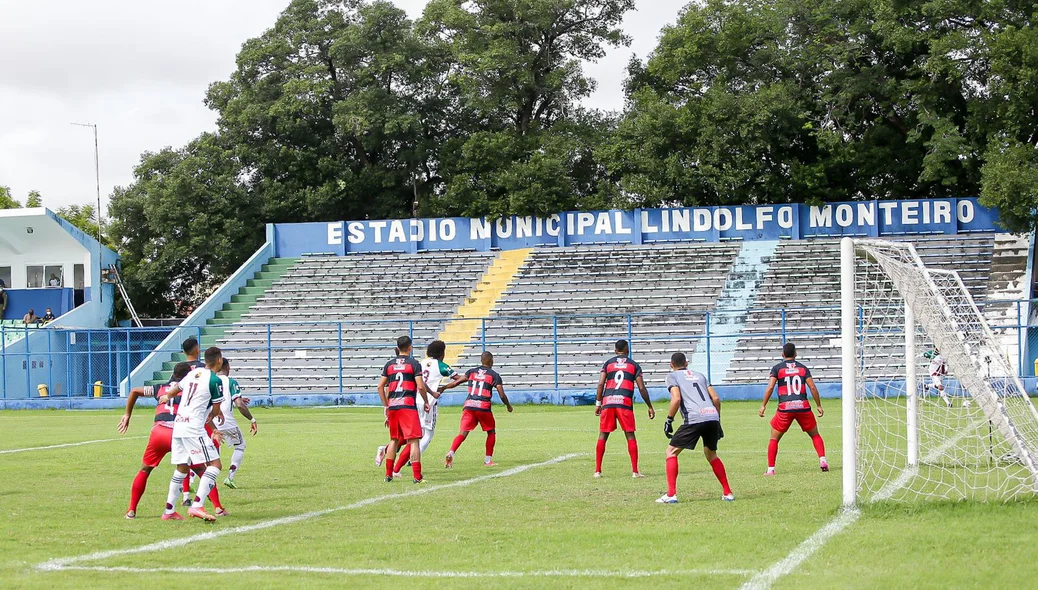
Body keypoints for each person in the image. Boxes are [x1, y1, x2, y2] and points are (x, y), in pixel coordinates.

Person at [118, 362, 193, 519]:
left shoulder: (159, 388)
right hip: (178, 433)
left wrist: (127, 414)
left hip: (158, 432)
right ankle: (216, 507)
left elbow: (134, 391)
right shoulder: (189, 389)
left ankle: (131, 510)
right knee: (199, 468)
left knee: (145, 469)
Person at [160, 347, 226, 521]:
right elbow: (216, 410)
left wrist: (166, 397)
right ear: (219, 360)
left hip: (179, 425)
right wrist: (214, 414)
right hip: (194, 427)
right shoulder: (215, 380)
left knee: (182, 468)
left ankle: (169, 511)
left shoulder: (193, 373)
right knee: (215, 464)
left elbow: (174, 391)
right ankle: (197, 505)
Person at [658, 353, 733, 503]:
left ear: (671, 365)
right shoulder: (700, 375)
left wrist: (669, 420)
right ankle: (728, 492)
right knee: (711, 454)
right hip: (712, 415)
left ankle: (671, 494)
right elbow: (716, 399)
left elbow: (677, 398)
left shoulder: (672, 377)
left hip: (694, 417)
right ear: (686, 363)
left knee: (671, 452)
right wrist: (717, 419)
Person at [759, 343, 827, 475]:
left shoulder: (777, 369)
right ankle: (822, 460)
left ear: (782, 354)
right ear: (796, 354)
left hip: (785, 408)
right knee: (815, 434)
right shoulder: (803, 368)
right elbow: (812, 387)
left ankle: (770, 469)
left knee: (774, 438)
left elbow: (770, 387)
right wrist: (818, 405)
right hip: (803, 407)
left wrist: (763, 405)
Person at [594, 339, 655, 478]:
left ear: (615, 350)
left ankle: (597, 471)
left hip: (608, 402)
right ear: (628, 350)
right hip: (624, 403)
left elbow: (600, 384)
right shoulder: (633, 365)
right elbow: (641, 387)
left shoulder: (608, 363)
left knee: (603, 434)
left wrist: (598, 404)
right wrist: (650, 406)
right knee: (630, 435)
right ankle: (635, 471)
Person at [378, 336, 431, 483]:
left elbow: (380, 386)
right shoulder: (414, 364)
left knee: (394, 440)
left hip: (393, 406)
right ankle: (417, 476)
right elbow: (420, 386)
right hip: (407, 406)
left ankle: (388, 474)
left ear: (397, 347)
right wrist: (426, 401)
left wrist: (386, 405)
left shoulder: (389, 365)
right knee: (413, 441)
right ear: (410, 347)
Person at [445, 351, 512, 467]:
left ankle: (451, 452)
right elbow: (502, 394)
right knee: (491, 432)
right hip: (483, 407)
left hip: (469, 405)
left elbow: (456, 382)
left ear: (481, 360)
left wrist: (443, 388)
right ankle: (487, 460)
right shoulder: (494, 375)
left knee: (462, 433)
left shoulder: (471, 372)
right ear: (491, 361)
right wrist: (508, 406)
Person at [216, 359, 257, 489]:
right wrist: (252, 419)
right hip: (227, 422)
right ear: (228, 367)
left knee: (211, 449)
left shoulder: (210, 380)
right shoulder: (231, 382)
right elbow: (239, 404)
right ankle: (230, 477)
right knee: (240, 445)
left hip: (211, 422)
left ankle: (192, 482)